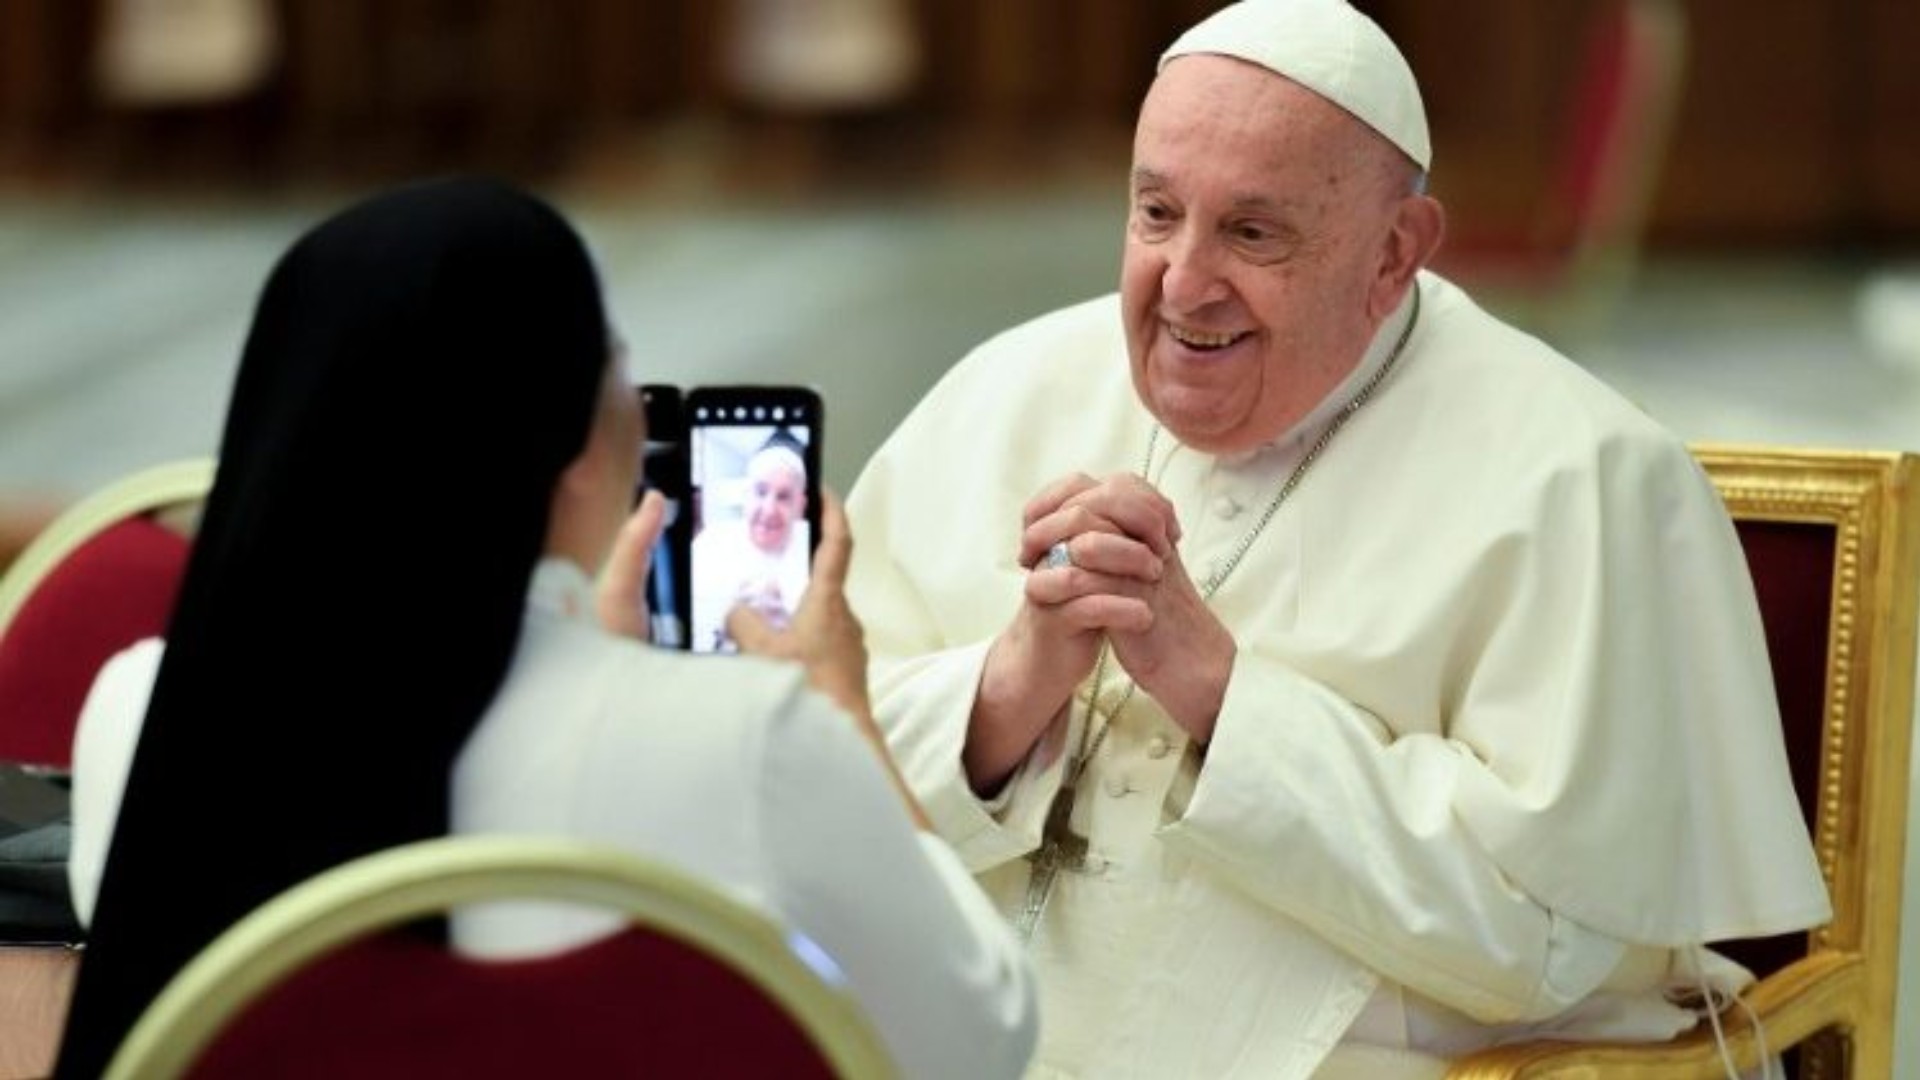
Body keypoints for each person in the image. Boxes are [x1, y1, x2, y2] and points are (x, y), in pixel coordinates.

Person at [842, 1, 1829, 1077]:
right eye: (1156, 213)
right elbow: (806, 776)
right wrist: (1006, 689)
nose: (1183, 283)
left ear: (1395, 251)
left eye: (1252, 232)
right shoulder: (1005, 392)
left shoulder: (1583, 477)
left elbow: (1550, 944)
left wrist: (1221, 697)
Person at [55, 178, 1036, 1079]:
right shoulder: (753, 739)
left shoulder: (133, 714)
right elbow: (983, 1034)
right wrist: (846, 716)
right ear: (567, 441)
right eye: (614, 360)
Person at [690, 431, 813, 650]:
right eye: (760, 491)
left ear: (800, 506)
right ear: (746, 496)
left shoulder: (815, 554)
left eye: (784, 496)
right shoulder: (710, 545)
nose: (769, 509)